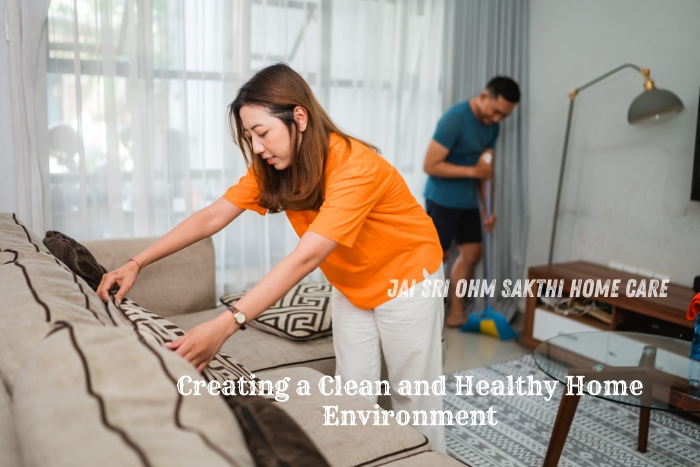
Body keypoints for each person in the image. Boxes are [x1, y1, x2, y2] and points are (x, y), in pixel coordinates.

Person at [97, 63, 447, 452]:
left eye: (262, 133)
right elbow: (212, 216)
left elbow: (305, 258)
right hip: (352, 283)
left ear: (299, 117)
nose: (258, 147)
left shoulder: (355, 166)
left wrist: (227, 324)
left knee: (415, 399)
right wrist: (135, 263)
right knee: (353, 396)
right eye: (250, 136)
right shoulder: (274, 168)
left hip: (407, 279)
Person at [422, 77, 520, 327]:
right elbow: (430, 165)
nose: (498, 119)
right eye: (497, 111)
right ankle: (424, 315)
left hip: (467, 200)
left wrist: (488, 210)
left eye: (504, 116)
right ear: (484, 96)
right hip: (441, 198)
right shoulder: (455, 119)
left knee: (472, 253)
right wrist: (472, 172)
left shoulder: (492, 127)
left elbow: (486, 171)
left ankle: (456, 313)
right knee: (436, 258)